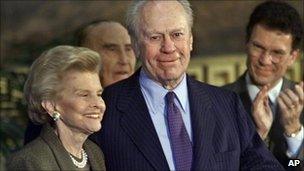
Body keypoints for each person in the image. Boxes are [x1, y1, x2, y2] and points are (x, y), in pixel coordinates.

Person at [90, 1, 284, 170]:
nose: (168, 47)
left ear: (190, 40)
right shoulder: (104, 109)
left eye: (177, 35)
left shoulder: (226, 104)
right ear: (135, 45)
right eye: (155, 37)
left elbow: (264, 165)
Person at [23, 20, 136, 144]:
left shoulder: (142, 106)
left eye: (129, 49)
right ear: (82, 55)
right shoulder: (51, 119)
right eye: (111, 49)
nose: (124, 60)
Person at [223, 1, 303, 170]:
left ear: (292, 57)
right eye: (258, 47)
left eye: (277, 53)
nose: (265, 60)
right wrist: (257, 136)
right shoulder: (217, 102)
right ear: (247, 43)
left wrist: (294, 132)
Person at [6, 45, 106, 170]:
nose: (98, 104)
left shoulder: (95, 153)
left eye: (99, 94)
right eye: (84, 95)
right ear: (51, 106)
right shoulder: (29, 161)